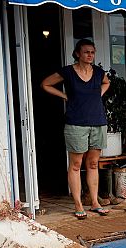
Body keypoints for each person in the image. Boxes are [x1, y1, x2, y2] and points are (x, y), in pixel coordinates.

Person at [41, 38, 110, 219]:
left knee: (93, 163)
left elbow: (106, 82)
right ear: (78, 53)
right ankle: (78, 204)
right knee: (76, 164)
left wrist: (98, 95)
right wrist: (64, 96)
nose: (90, 55)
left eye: (92, 52)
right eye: (86, 52)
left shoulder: (98, 72)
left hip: (98, 121)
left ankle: (95, 202)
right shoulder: (68, 72)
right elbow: (46, 84)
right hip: (76, 122)